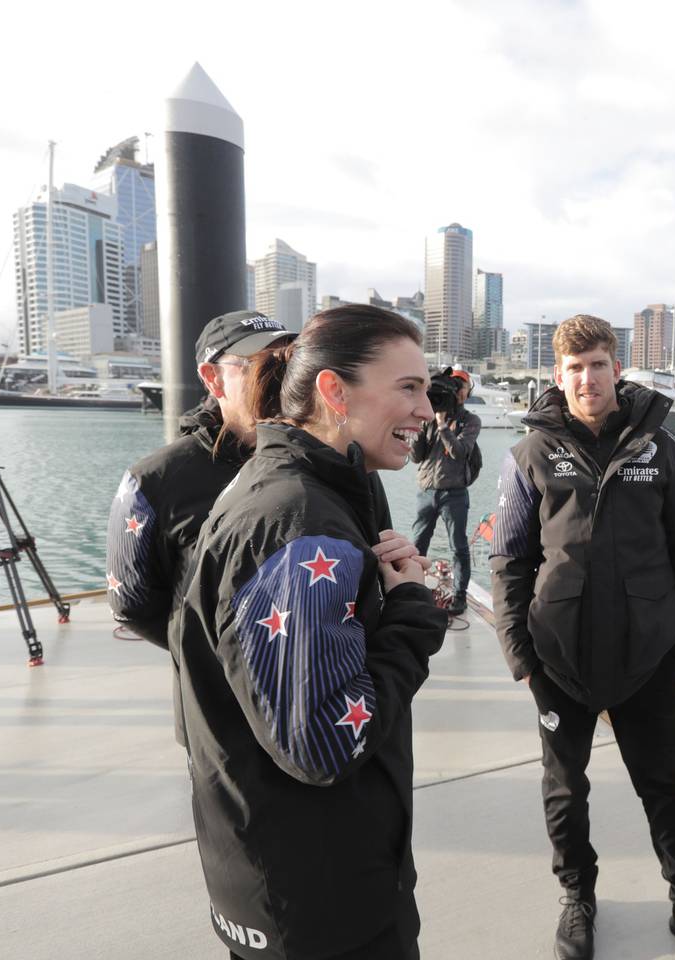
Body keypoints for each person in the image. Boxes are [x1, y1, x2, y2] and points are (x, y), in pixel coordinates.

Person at [174, 305, 448, 960]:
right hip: (323, 902)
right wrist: (412, 614)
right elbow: (324, 744)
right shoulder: (301, 520)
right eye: (408, 387)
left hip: (280, 879)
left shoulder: (276, 489)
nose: (428, 410)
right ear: (332, 391)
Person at [490, 315, 675, 960]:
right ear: (557, 377)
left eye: (598, 364)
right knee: (566, 787)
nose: (587, 379)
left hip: (648, 654)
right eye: (574, 369)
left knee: (664, 783)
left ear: (618, 368)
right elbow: (510, 561)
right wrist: (520, 655)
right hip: (558, 655)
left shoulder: (664, 448)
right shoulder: (530, 453)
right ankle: (578, 897)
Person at [106, 309, 294, 743]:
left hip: (318, 693)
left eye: (288, 363)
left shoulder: (328, 462)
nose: (281, 378)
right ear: (213, 377)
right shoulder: (156, 479)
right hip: (219, 715)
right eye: (264, 365)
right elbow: (132, 603)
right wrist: (217, 652)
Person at [410, 367, 480, 615]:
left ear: (466, 392)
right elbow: (417, 457)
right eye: (455, 385)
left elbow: (461, 451)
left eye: (462, 386)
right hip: (427, 490)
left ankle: (459, 598)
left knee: (458, 547)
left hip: (455, 493)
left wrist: (443, 427)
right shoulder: (429, 417)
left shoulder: (470, 421)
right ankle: (410, 594)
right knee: (417, 546)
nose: (458, 391)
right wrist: (421, 426)